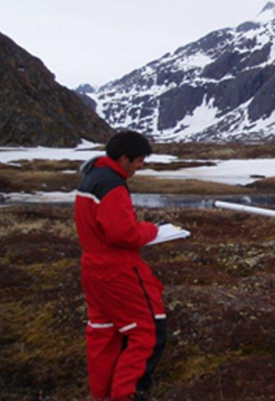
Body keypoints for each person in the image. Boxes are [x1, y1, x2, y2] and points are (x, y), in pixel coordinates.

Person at [74, 131, 166, 401]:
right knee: (146, 332)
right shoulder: (112, 185)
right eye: (138, 160)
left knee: (104, 334)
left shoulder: (91, 179)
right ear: (123, 158)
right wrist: (151, 230)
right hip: (117, 271)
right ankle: (127, 395)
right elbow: (123, 234)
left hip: (93, 270)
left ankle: (102, 395)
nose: (141, 166)